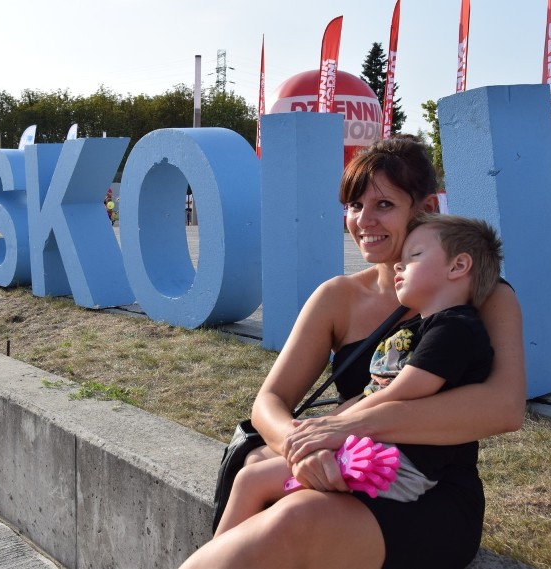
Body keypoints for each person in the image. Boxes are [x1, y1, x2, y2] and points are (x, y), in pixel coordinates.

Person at [179, 136, 526, 569]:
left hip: (431, 493)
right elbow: (269, 401)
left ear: (427, 207)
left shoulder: (482, 294)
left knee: (296, 517)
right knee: (276, 499)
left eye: (383, 205)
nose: (364, 220)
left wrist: (344, 426)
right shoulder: (338, 297)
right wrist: (301, 448)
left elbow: (504, 408)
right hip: (344, 468)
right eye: (354, 205)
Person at [213, 213, 503, 536]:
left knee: (252, 482)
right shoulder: (429, 327)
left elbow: (398, 393)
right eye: (353, 204)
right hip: (378, 450)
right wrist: (320, 429)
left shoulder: (455, 328)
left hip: (393, 465)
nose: (399, 266)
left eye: (414, 256)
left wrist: (330, 427)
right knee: (256, 467)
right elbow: (376, 392)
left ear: (458, 266)